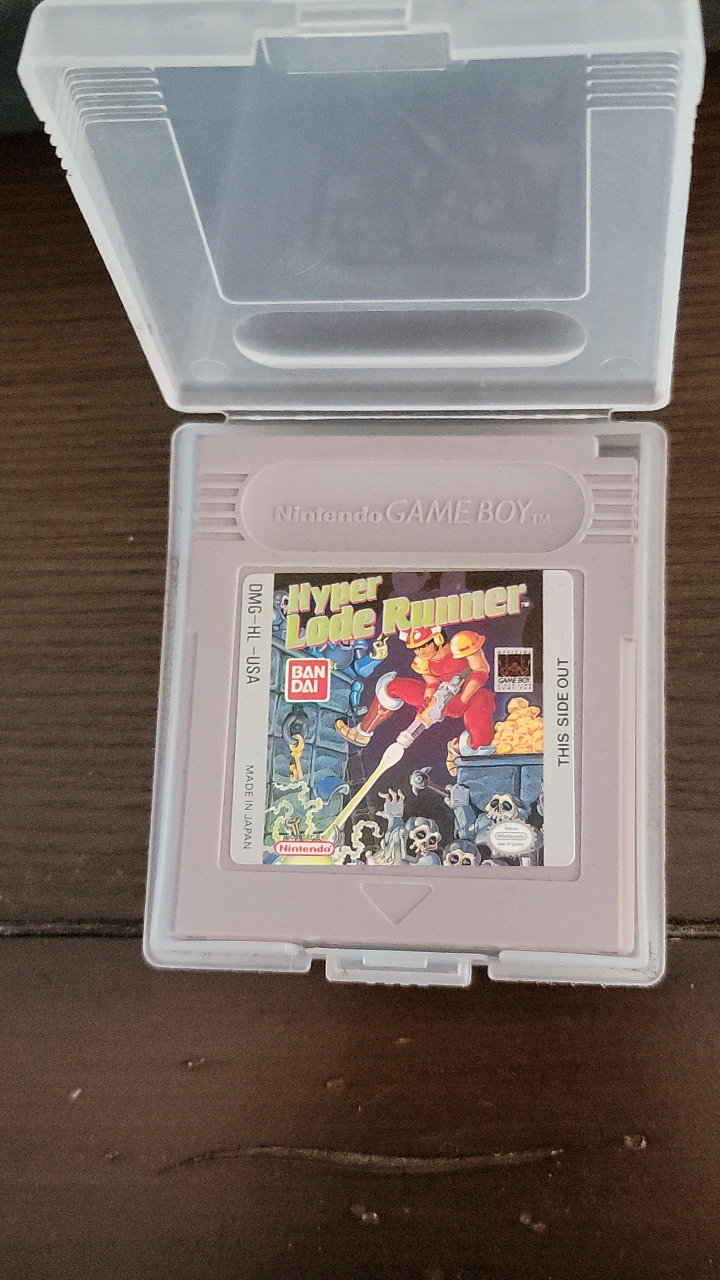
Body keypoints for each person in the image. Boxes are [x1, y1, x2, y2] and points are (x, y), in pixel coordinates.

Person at [335, 626, 495, 759]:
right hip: (443, 696)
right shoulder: (422, 660)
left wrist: (463, 699)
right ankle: (363, 732)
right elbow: (432, 683)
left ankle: (458, 750)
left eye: (424, 645)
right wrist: (427, 701)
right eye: (416, 648)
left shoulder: (461, 642)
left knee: (481, 743)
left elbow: (481, 670)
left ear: (438, 639)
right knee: (392, 687)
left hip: (472, 694)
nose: (420, 651)